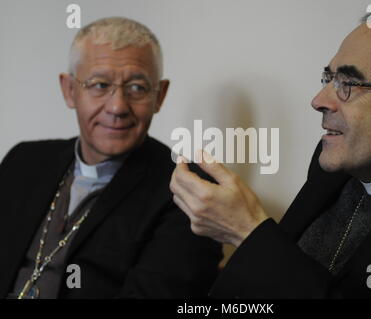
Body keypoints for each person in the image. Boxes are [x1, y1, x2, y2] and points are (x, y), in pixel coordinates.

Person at [170, 9, 371, 298]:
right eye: (329, 78)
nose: (319, 101)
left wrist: (248, 232)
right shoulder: (334, 162)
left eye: (348, 84)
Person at [0, 17, 222, 299]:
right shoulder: (24, 161)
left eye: (138, 88)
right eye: (100, 84)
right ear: (69, 90)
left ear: (159, 96)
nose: (117, 106)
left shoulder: (188, 192)